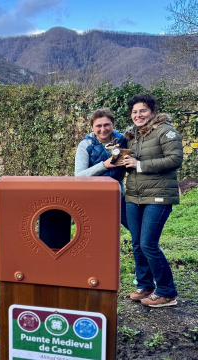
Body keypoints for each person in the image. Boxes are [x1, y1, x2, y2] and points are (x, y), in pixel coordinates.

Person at [123, 93, 183, 307]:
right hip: (134, 196)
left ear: (153, 112)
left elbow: (175, 159)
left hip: (158, 196)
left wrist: (139, 165)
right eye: (134, 112)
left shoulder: (166, 131)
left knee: (149, 244)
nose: (138, 115)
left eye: (142, 111)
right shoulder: (134, 135)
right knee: (137, 244)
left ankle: (167, 292)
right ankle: (145, 285)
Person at [74, 108, 129, 229]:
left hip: (119, 196)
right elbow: (79, 176)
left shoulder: (124, 140)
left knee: (137, 231)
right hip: (94, 199)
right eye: (98, 126)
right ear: (92, 127)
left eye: (106, 125)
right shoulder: (86, 145)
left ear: (113, 124)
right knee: (99, 234)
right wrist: (105, 165)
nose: (103, 129)